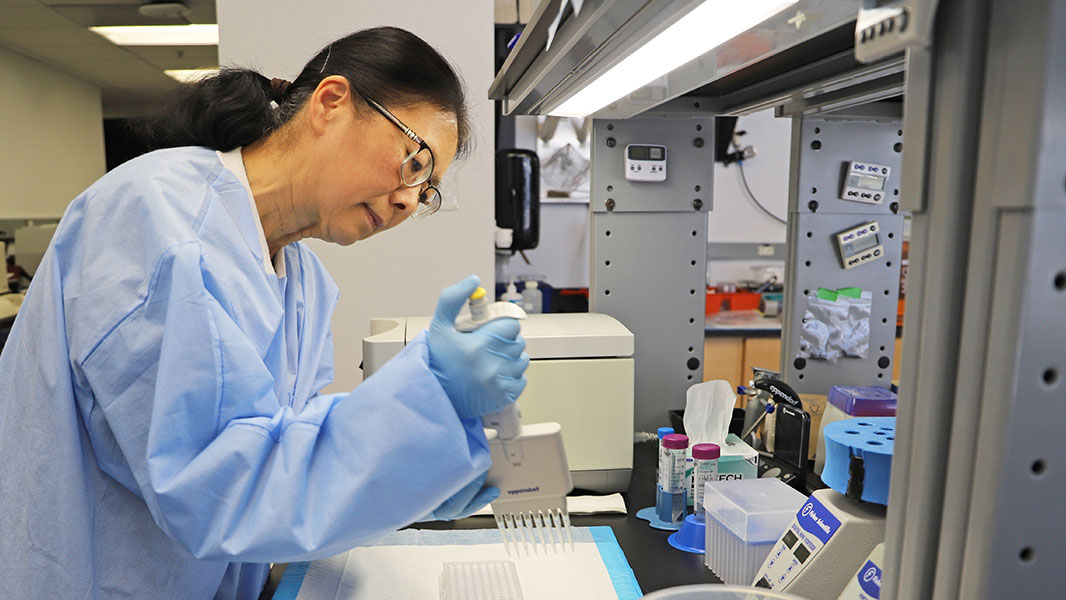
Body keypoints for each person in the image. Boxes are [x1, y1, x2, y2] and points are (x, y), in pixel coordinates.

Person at [0, 26, 529, 599]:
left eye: (426, 192)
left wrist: (415, 471)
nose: (407, 199)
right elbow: (220, 488)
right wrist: (427, 396)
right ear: (331, 103)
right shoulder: (158, 223)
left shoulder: (298, 280)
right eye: (415, 161)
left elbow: (279, 456)